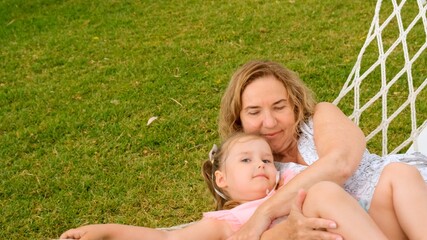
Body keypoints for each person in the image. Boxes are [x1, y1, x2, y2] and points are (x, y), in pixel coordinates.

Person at [219, 59, 427, 240]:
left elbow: (340, 163)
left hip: (409, 200)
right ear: (239, 121)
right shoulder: (253, 172)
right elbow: (245, 229)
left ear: (295, 105)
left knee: (398, 172)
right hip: (355, 232)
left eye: (279, 107)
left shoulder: (320, 117)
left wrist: (265, 212)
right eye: (254, 112)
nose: (270, 122)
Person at [59, 133, 389, 240]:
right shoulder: (228, 222)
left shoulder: (291, 183)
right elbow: (165, 237)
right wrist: (106, 232)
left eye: (266, 160)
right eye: (246, 161)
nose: (261, 164)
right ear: (222, 180)